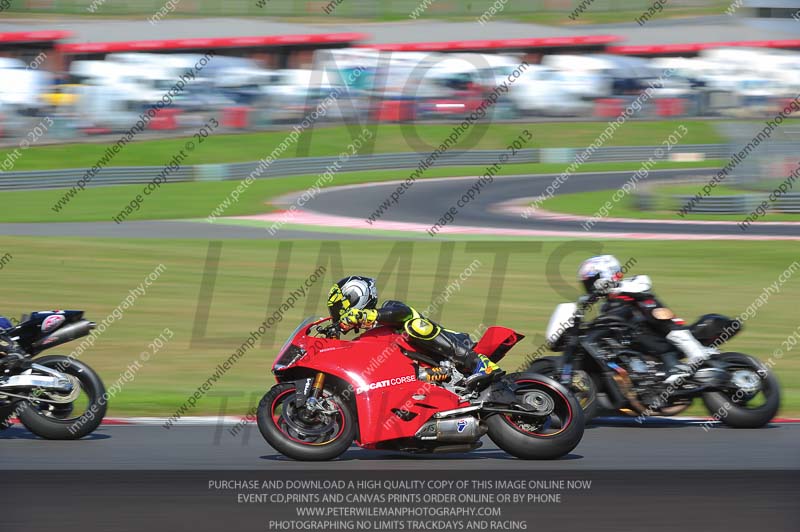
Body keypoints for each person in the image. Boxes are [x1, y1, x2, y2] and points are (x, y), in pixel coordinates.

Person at [326, 275, 501, 388]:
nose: (337, 314)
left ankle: (479, 363)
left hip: (455, 346)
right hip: (422, 379)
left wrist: (367, 315)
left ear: (354, 295)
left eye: (338, 308)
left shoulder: (390, 308)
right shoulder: (366, 338)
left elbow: (404, 313)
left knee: (415, 326)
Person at [577, 255, 709, 385]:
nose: (590, 287)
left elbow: (643, 285)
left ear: (606, 274)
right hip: (638, 341)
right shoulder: (606, 306)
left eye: (591, 281)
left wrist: (614, 286)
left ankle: (696, 352)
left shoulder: (634, 283)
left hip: (658, 331)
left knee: (652, 308)